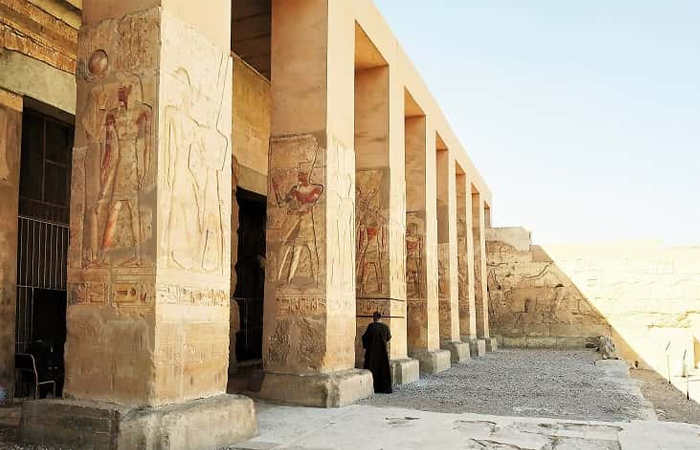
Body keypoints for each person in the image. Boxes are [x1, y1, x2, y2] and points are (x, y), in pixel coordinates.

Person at [362, 311, 392, 393]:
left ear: (374, 317)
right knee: (383, 369)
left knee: (371, 367)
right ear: (381, 317)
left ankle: (373, 387)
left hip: (372, 352)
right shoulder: (385, 327)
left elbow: (365, 337)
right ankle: (384, 388)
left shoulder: (371, 326)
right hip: (382, 352)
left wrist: (366, 345)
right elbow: (389, 337)